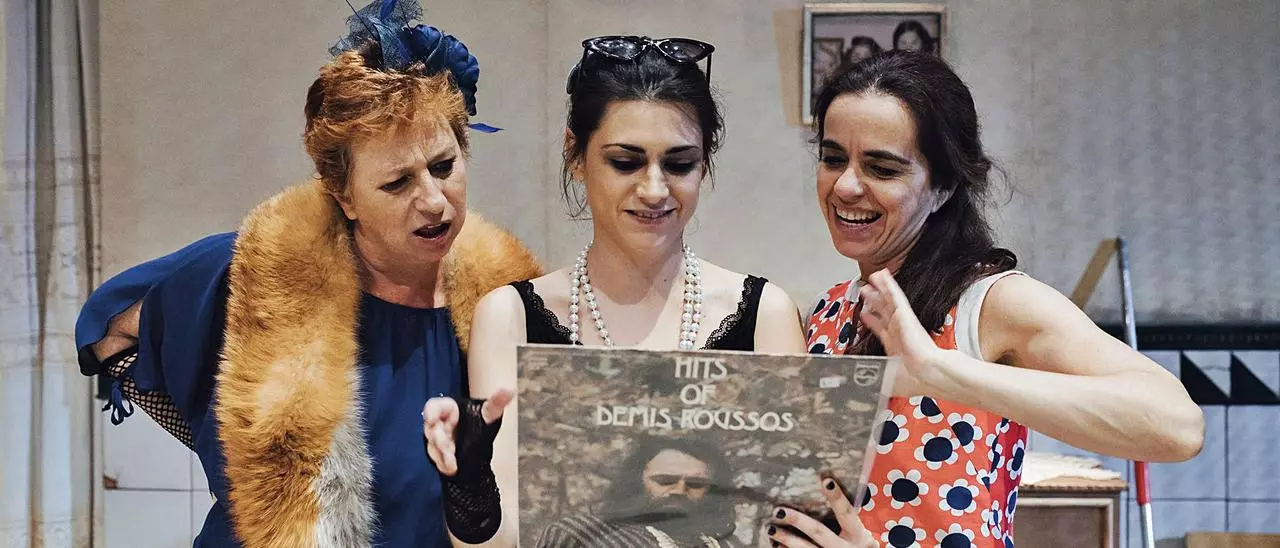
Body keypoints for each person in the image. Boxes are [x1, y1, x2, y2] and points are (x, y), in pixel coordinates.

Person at [73, 1, 540, 545]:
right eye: (397, 183)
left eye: (444, 166)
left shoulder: (503, 303)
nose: (434, 201)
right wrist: (221, 443)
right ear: (345, 196)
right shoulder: (257, 270)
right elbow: (109, 328)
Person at [765, 51, 1204, 548]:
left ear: (944, 185)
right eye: (832, 159)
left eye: (882, 168)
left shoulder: (992, 303)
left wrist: (937, 369)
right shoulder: (827, 311)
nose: (845, 186)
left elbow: (1178, 426)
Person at [422, 35, 808, 546]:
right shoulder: (509, 316)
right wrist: (469, 481)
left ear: (705, 162)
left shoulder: (765, 314)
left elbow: (790, 526)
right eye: (626, 162)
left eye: (679, 164)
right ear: (576, 154)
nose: (654, 190)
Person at [536, 437, 738, 548]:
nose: (679, 490)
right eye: (665, 481)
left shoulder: (720, 545)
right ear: (635, 483)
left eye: (695, 484)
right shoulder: (580, 534)